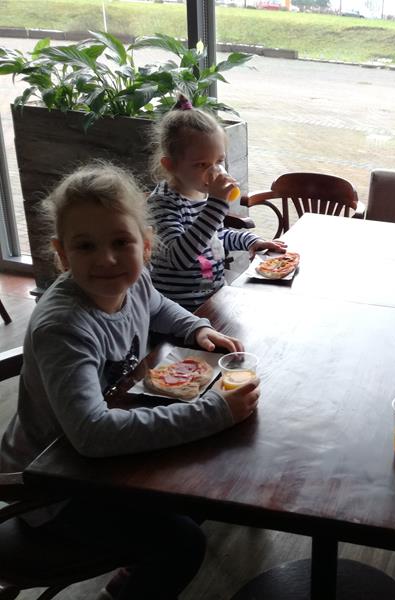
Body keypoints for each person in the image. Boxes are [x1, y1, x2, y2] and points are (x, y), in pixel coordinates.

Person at [0, 164, 261, 600]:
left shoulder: (134, 280)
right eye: (86, 246)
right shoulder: (64, 327)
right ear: (62, 254)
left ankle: (130, 578)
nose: (107, 259)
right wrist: (214, 412)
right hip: (51, 487)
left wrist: (196, 327)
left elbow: (156, 305)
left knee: (196, 490)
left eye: (121, 242)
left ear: (146, 245)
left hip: (97, 456)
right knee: (183, 542)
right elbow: (92, 434)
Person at [148, 96, 286, 310]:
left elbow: (214, 238)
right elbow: (179, 258)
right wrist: (216, 204)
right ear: (170, 165)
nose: (214, 171)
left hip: (213, 297)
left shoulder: (202, 193)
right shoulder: (163, 203)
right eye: (201, 164)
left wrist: (250, 241)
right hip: (180, 310)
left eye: (219, 161)